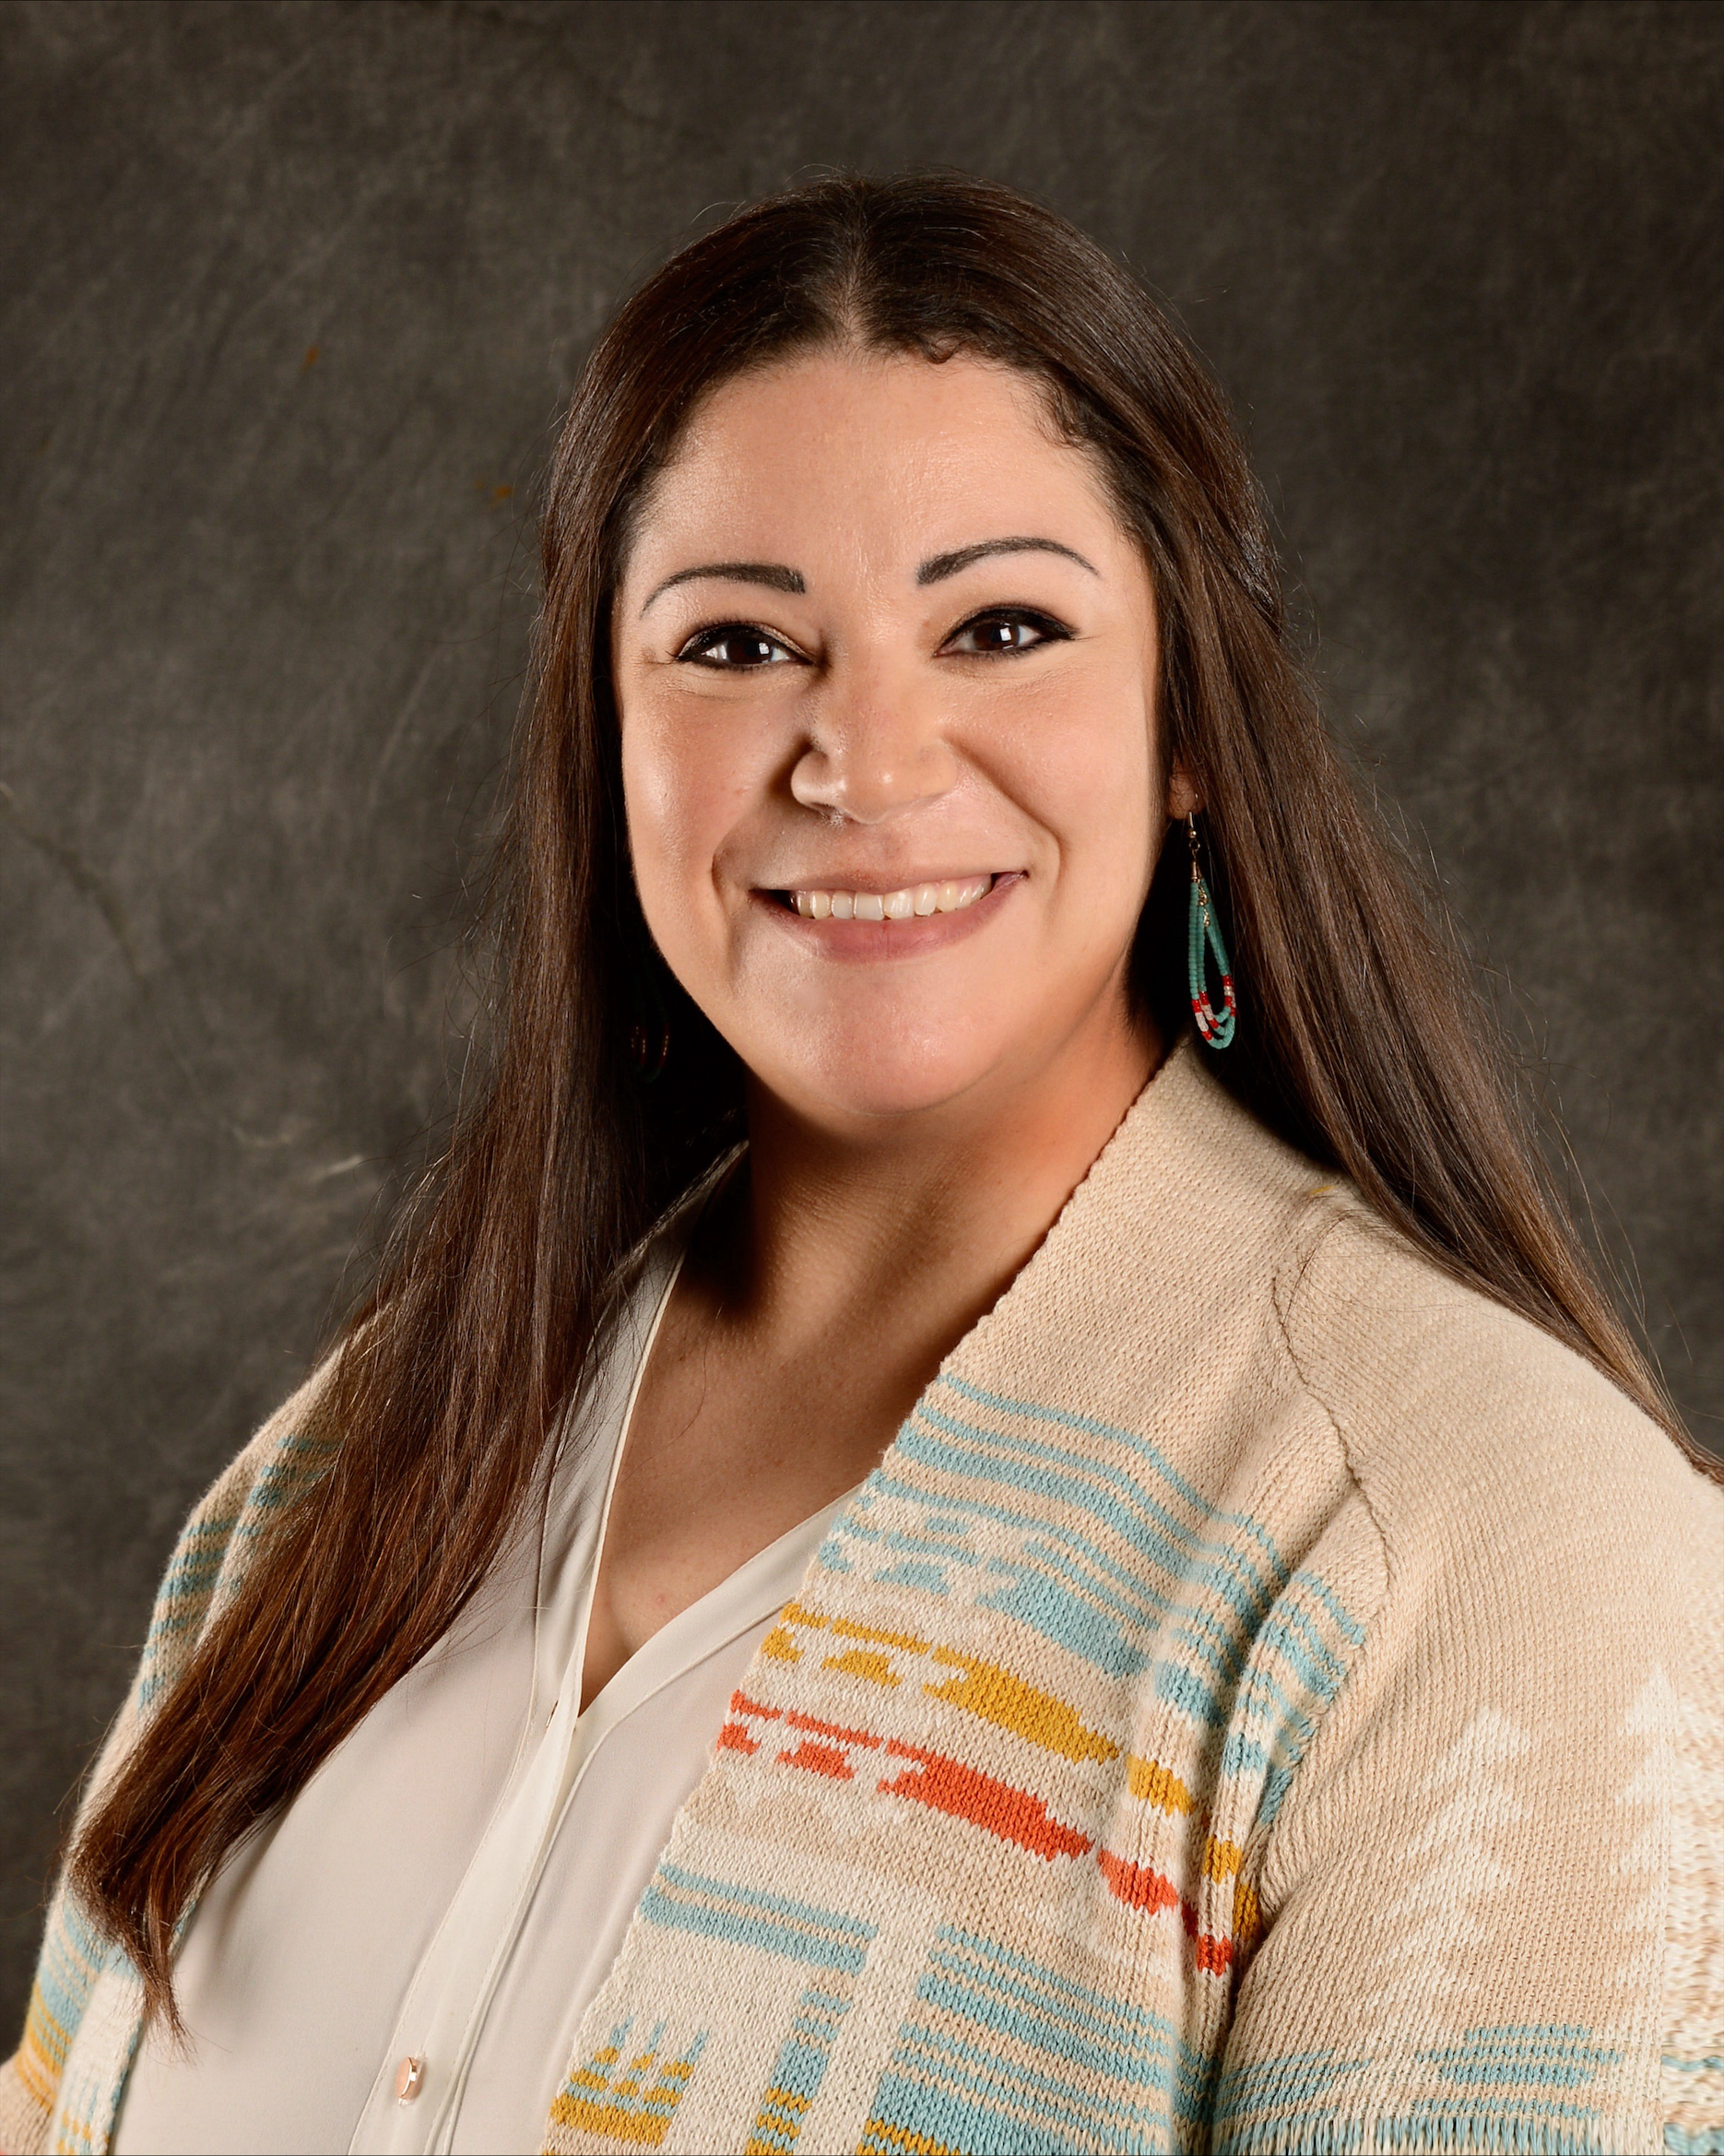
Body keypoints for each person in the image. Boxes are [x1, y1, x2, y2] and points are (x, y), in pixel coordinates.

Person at [3, 172, 1718, 2156]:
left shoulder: (1488, 1563)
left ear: (1189, 730)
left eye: (1000, 625)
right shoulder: (354, 1466)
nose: (864, 759)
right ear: (601, 732)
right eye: (735, 643)